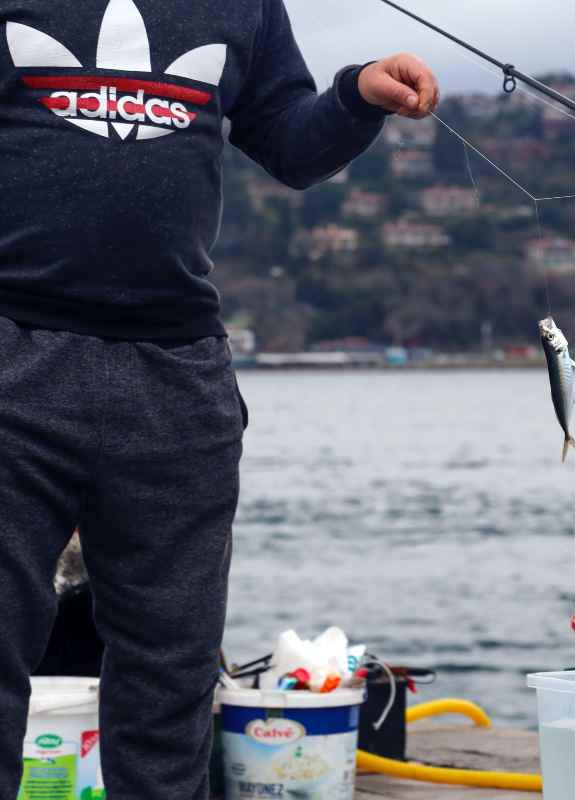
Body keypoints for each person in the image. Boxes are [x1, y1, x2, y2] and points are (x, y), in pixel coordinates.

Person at [0, 0, 438, 796]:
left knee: (170, 673)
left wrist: (357, 95)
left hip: (178, 375)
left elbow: (291, 143)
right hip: (13, 353)